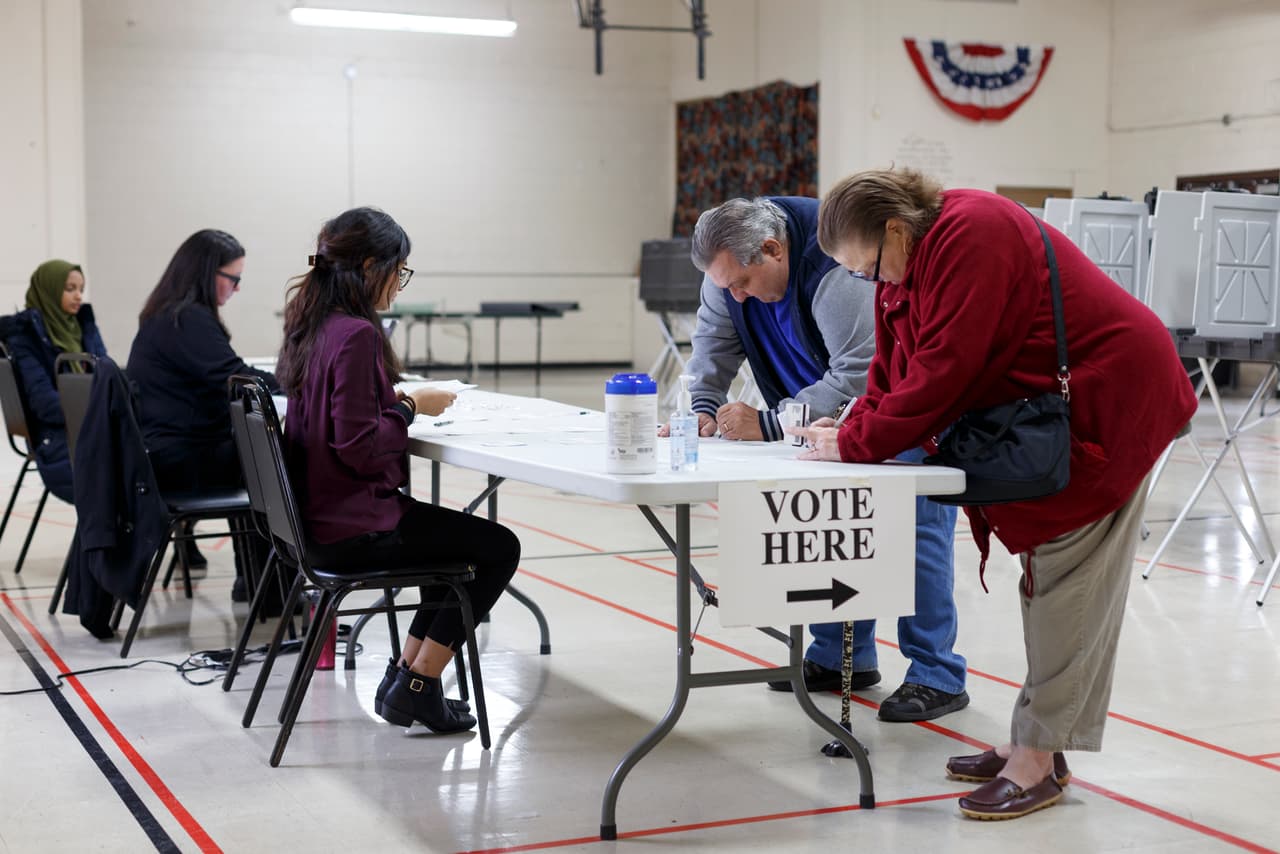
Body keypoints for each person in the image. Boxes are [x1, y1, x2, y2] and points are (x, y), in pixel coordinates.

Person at [795, 168, 1197, 820]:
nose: (872, 283)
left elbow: (945, 367)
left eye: (869, 267)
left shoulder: (971, 232)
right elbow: (891, 368)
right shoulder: (909, 262)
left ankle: (1037, 760)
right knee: (1047, 582)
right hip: (1058, 414)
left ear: (895, 227)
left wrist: (857, 443)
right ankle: (1032, 741)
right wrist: (852, 427)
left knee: (1068, 585)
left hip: (1109, 404)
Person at [661, 196, 970, 721]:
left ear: (773, 249)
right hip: (816, 418)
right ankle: (840, 657)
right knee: (835, 524)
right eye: (724, 285)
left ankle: (936, 674)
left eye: (741, 283)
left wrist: (770, 424)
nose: (734, 294)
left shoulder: (833, 270)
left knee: (916, 530)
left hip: (902, 406)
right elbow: (712, 347)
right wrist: (704, 411)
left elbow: (860, 371)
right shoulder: (727, 272)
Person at [277, 206, 519, 733]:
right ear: (370, 267)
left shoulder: (310, 325)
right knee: (497, 548)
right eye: (399, 271)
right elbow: (359, 448)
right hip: (353, 526)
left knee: (453, 547)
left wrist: (393, 403)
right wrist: (408, 409)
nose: (399, 284)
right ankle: (419, 685)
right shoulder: (357, 335)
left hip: (314, 522)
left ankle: (405, 679)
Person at [126, 230, 279, 589]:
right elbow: (235, 377)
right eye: (234, 278)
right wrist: (297, 382)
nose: (237, 288)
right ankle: (265, 586)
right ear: (207, 273)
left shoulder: (167, 314)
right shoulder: (186, 319)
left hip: (164, 453)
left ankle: (260, 584)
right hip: (178, 460)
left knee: (258, 455)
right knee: (272, 463)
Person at [0, 260, 108, 502]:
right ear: (49, 289)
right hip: (57, 439)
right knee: (129, 478)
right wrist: (98, 409)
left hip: (94, 430)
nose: (78, 296)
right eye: (70, 289)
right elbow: (44, 403)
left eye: (81, 289)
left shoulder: (84, 326)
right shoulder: (24, 336)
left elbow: (107, 378)